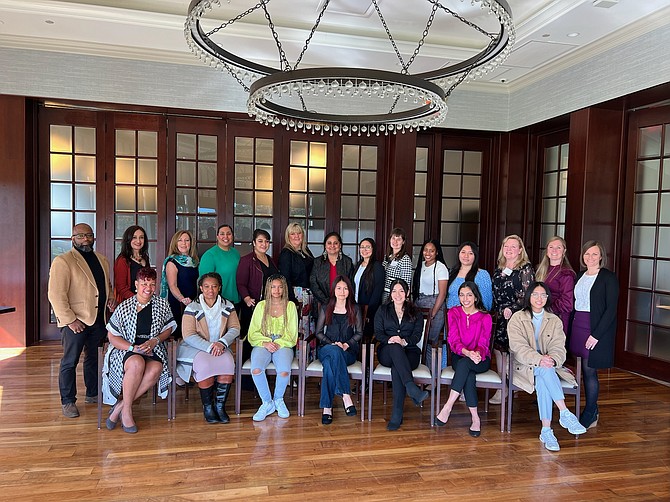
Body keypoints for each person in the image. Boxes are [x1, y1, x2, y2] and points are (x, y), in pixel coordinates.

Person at [508, 282, 587, 451]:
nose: (539, 298)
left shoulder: (554, 320)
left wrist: (552, 359)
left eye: (543, 295)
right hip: (523, 366)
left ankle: (546, 430)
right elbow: (518, 347)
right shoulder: (517, 318)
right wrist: (539, 359)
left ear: (547, 298)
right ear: (529, 297)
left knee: (545, 376)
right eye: (535, 294)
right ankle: (564, 412)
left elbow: (559, 347)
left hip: (548, 366)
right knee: (544, 370)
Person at [48, 223, 115, 418]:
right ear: (73, 238)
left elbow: (105, 285)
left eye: (89, 235)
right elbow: (55, 294)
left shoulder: (102, 259)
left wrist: (110, 297)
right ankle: (68, 401)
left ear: (93, 237)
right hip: (76, 322)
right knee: (70, 361)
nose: (85, 239)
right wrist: (70, 320)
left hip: (98, 319)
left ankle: (93, 393)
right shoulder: (63, 261)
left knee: (94, 359)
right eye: (80, 236)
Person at [103, 267, 176, 433]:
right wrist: (132, 348)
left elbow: (169, 328)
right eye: (144, 284)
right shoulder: (125, 306)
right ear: (136, 284)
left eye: (152, 284)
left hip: (152, 348)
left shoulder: (162, 304)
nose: (148, 288)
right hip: (126, 349)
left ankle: (120, 406)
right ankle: (127, 411)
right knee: (136, 363)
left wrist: (155, 340)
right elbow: (112, 336)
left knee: (156, 367)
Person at [177, 272, 241, 424]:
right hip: (197, 348)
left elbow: (235, 328)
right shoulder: (192, 307)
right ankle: (208, 407)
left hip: (221, 346)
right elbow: (188, 335)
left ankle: (220, 406)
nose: (210, 290)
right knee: (205, 366)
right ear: (201, 288)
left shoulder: (228, 306)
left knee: (227, 364)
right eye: (206, 286)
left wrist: (222, 343)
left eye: (214, 286)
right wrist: (210, 346)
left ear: (219, 288)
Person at [569, 240, 619, 429]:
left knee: (590, 370)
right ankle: (588, 407)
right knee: (580, 369)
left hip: (594, 328)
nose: (590, 257)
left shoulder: (608, 277)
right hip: (578, 326)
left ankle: (590, 411)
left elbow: (611, 310)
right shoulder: (580, 275)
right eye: (587, 254)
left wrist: (596, 335)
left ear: (601, 256)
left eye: (594, 254)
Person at [434, 282, 492, 437]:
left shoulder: (485, 317)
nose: (465, 298)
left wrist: (477, 353)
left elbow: (484, 342)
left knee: (467, 367)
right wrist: (467, 352)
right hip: (460, 356)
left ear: (475, 297)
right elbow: (453, 340)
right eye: (462, 295)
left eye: (469, 295)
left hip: (481, 358)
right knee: (468, 371)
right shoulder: (453, 313)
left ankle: (447, 407)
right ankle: (475, 418)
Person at [374, 279, 429, 431]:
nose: (398, 295)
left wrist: (404, 341)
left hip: (410, 352)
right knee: (394, 348)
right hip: (387, 351)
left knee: (397, 368)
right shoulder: (383, 310)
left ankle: (397, 413)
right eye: (394, 291)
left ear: (407, 293)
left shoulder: (415, 312)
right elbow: (378, 333)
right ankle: (411, 388)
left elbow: (417, 335)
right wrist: (390, 339)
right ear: (390, 294)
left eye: (401, 291)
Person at [490, 234, 535, 404]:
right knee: (499, 352)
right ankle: (504, 387)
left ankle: (513, 386)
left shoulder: (525, 269)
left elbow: (527, 295)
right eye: (506, 246)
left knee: (513, 353)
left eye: (513, 247)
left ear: (520, 250)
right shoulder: (499, 268)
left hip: (516, 317)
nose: (509, 250)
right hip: (499, 316)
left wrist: (512, 309)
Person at [248, 275, 298, 421]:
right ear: (268, 288)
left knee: (283, 371)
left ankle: (278, 400)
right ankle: (267, 402)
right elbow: (253, 332)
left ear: (284, 289)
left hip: (283, 343)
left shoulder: (290, 306)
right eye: (273, 287)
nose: (276, 290)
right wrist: (265, 342)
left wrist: (278, 343)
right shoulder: (261, 306)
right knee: (256, 369)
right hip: (262, 342)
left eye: (280, 287)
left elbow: (292, 333)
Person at [315, 275, 363, 424]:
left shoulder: (354, 309)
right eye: (339, 288)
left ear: (350, 291)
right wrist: (332, 344)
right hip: (327, 349)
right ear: (334, 290)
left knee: (329, 365)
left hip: (348, 352)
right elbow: (318, 333)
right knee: (334, 352)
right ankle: (346, 395)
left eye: (345, 288)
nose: (342, 291)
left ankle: (327, 408)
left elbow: (359, 333)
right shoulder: (326, 307)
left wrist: (347, 344)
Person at [412, 239, 448, 372]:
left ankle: (432, 376)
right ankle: (421, 371)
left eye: (431, 250)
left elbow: (442, 293)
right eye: (426, 250)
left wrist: (433, 313)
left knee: (430, 341)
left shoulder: (441, 267)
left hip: (435, 305)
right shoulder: (421, 265)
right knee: (419, 339)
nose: (428, 253)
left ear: (437, 252)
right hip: (419, 304)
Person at [160, 230, 199, 338]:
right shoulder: (172, 262)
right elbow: (172, 286)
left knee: (191, 334)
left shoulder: (194, 262)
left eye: (187, 240)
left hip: (192, 302)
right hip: (177, 303)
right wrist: (182, 299)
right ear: (175, 243)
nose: (184, 243)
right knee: (178, 335)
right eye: (180, 240)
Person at [535, 236, 575, 336]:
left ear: (564, 251)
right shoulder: (541, 270)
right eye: (551, 247)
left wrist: (546, 310)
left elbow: (567, 303)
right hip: (540, 317)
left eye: (558, 247)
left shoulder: (566, 273)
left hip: (556, 318)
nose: (554, 250)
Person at [198, 224, 241, 305]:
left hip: (236, 299)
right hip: (218, 301)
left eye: (228, 234)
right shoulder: (209, 255)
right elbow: (204, 282)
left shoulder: (235, 253)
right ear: (217, 236)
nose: (226, 236)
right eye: (222, 234)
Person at [310, 231, 354, 307]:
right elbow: (313, 283)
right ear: (325, 245)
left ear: (340, 245)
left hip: (343, 304)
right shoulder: (317, 262)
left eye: (335, 243)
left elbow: (351, 284)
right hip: (321, 304)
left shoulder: (347, 262)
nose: (332, 246)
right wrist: (326, 301)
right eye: (329, 243)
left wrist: (340, 300)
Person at [353, 237, 385, 339]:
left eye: (368, 247)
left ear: (373, 249)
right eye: (362, 247)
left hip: (368, 310)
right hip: (356, 307)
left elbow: (377, 293)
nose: (364, 250)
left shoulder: (377, 267)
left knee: (365, 338)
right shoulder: (358, 265)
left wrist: (369, 313)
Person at [446, 242, 493, 310]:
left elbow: (486, 301)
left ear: (475, 256)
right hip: (452, 316)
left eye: (470, 253)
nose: (466, 256)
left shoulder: (482, 274)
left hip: (473, 317)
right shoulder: (451, 272)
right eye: (463, 252)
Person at [278, 222, 314, 305]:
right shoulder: (286, 253)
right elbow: (285, 278)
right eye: (293, 234)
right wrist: (291, 299)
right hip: (295, 296)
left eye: (299, 233)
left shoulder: (306, 251)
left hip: (308, 294)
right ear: (288, 236)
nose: (296, 236)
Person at [114, 225, 150, 305]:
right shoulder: (122, 260)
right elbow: (121, 288)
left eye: (141, 237)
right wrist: (138, 300)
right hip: (129, 304)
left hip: (144, 302)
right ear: (128, 240)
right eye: (134, 237)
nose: (138, 241)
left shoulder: (145, 258)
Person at [382, 228, 413, 302]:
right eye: (393, 238)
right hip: (385, 294)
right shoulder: (388, 256)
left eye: (398, 239)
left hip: (396, 296)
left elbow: (406, 283)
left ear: (403, 242)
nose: (395, 242)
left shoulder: (405, 259)